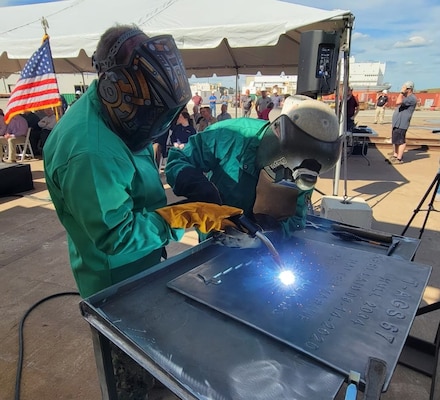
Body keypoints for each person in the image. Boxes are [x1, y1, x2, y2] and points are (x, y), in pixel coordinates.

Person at [43, 24, 243, 400]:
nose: (156, 130)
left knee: (158, 366)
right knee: (131, 378)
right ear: (111, 87)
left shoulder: (121, 115)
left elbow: (131, 182)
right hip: (117, 285)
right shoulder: (90, 150)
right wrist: (182, 217)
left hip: (144, 265)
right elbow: (116, 236)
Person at [165, 95, 342, 243]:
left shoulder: (304, 168)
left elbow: (296, 219)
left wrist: (266, 236)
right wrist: (195, 184)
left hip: (261, 247)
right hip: (215, 236)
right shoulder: (231, 134)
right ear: (277, 133)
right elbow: (178, 159)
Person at [388, 81, 417, 164]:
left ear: (408, 89)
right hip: (397, 122)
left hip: (402, 123)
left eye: (404, 88)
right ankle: (395, 155)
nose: (402, 89)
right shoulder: (406, 98)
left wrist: (401, 93)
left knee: (400, 141)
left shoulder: (411, 98)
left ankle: (399, 158)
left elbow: (398, 102)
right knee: (395, 140)